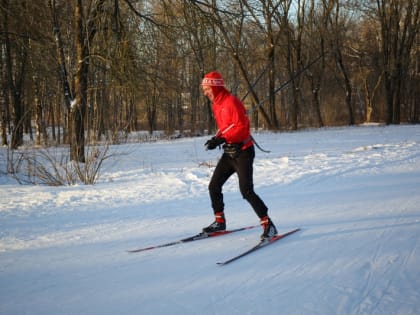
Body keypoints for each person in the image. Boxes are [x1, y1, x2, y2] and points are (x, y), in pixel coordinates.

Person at [201, 71, 278, 240]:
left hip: (243, 152)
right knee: (214, 186)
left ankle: (268, 224)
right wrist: (217, 138)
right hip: (230, 152)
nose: (205, 92)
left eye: (207, 89)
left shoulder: (231, 102)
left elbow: (242, 128)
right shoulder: (217, 104)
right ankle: (219, 221)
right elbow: (226, 127)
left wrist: (222, 139)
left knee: (246, 191)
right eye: (204, 89)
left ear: (215, 87)